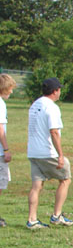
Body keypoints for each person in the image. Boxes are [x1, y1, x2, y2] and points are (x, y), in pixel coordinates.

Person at [26, 77, 73, 229]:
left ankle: (32, 219)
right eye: (59, 89)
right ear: (55, 91)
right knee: (65, 179)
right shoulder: (52, 107)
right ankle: (57, 216)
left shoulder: (35, 105)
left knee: (36, 186)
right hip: (47, 152)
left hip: (33, 151)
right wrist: (60, 154)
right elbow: (54, 132)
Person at [0, 73, 17, 227]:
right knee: (0, 183)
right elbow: (0, 128)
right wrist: (6, 149)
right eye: (10, 88)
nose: (11, 92)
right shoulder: (0, 104)